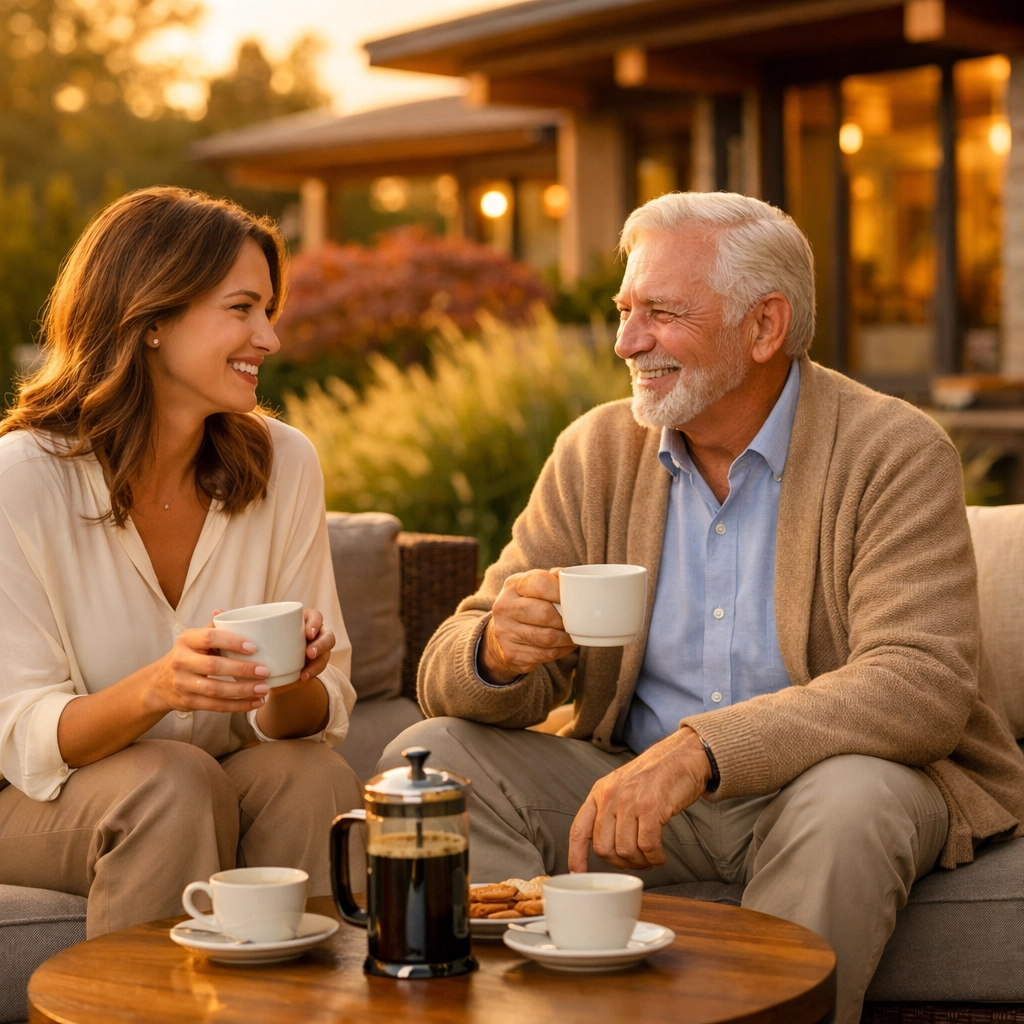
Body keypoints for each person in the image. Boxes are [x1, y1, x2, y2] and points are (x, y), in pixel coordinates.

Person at [382, 191, 1024, 1023]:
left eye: (661, 313)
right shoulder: (596, 452)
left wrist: (699, 753)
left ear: (764, 326)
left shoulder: (893, 451)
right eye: (625, 311)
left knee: (853, 800)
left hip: (819, 786)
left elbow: (919, 684)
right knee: (430, 760)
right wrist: (497, 652)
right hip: (640, 788)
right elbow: (448, 666)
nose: (627, 342)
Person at [0, 187, 361, 938]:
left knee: (310, 778)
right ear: (153, 319)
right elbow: (23, 732)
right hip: (42, 799)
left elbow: (314, 717)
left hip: (219, 777)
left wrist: (292, 679)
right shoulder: (22, 478)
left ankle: (314, 998)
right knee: (172, 782)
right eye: (242, 309)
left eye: (269, 311)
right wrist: (159, 687)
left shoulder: (285, 462)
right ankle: (140, 999)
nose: (269, 338)